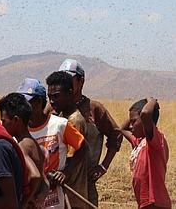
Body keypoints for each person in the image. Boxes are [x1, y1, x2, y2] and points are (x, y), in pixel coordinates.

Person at [59, 58, 122, 206]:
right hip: (59, 181)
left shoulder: (95, 109)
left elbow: (116, 135)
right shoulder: (53, 108)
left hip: (86, 182)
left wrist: (103, 167)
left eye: (70, 80)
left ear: (81, 81)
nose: (65, 84)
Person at [23, 78, 86, 209]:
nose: (23, 108)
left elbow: (83, 148)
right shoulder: (18, 130)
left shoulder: (59, 124)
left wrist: (66, 173)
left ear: (39, 102)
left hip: (53, 201)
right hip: (28, 200)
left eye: (27, 103)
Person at [0, 89, 47, 208]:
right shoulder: (33, 143)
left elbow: (35, 175)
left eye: (4, 121)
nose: (2, 125)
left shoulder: (22, 146)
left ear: (16, 120)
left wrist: (23, 202)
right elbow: (44, 180)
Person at [46, 71, 90, 208]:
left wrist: (63, 173)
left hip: (72, 194)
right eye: (50, 97)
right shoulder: (62, 116)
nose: (52, 101)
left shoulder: (74, 121)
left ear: (70, 93)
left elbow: (74, 155)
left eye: (56, 96)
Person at [121, 97, 171, 209]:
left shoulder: (155, 141)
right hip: (146, 203)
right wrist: (134, 115)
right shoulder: (139, 142)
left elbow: (145, 113)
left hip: (155, 203)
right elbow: (122, 129)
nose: (130, 126)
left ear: (145, 121)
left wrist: (151, 100)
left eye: (134, 121)